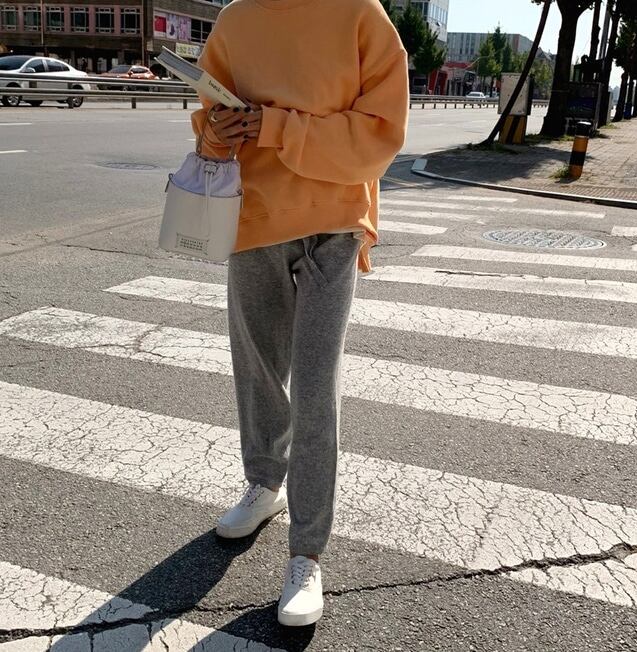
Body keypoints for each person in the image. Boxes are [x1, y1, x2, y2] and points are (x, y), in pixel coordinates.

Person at [191, 0, 408, 627]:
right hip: (253, 215)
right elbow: (207, 123)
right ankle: (264, 484)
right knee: (257, 369)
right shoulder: (236, 21)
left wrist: (275, 126)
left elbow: (382, 131)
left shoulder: (360, 15)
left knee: (315, 386)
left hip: (335, 222)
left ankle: (307, 554)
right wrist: (219, 130)